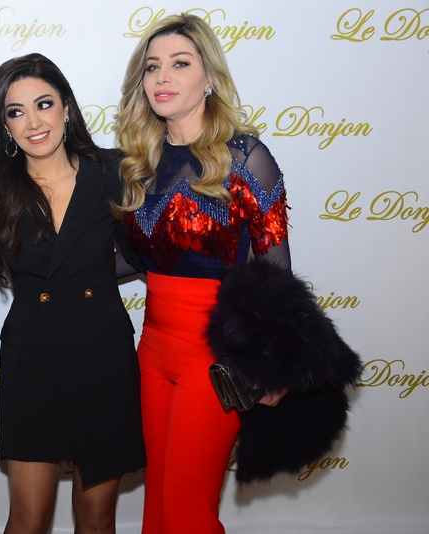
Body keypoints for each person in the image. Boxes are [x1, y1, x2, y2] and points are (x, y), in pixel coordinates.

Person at [115, 14, 289, 533]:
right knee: (158, 507)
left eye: (180, 63)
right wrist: (49, 263)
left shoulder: (246, 157)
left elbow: (275, 270)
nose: (162, 77)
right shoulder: (138, 163)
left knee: (188, 508)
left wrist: (273, 361)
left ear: (209, 76)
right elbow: (136, 259)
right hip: (152, 351)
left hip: (215, 357)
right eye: (152, 67)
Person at [0, 53, 146, 533]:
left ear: (66, 107)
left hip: (101, 356)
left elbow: (145, 254)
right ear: (5, 126)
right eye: (16, 111)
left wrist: (91, 273)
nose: (33, 122)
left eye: (43, 104)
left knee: (96, 519)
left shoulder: (112, 171)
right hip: (33, 360)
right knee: (28, 520)